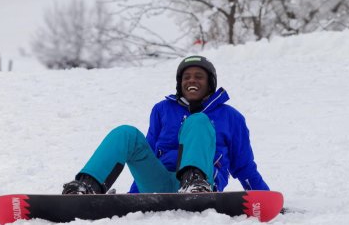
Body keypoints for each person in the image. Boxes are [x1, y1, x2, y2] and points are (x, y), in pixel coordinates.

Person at [62, 55, 270, 194]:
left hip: (204, 186)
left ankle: (194, 183)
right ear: (179, 83)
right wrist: (132, 197)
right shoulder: (162, 110)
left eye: (199, 77)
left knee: (198, 121)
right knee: (126, 133)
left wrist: (263, 198)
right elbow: (146, 154)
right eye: (186, 77)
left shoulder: (231, 117)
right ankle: (87, 187)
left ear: (210, 83)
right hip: (159, 184)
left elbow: (244, 166)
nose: (192, 81)